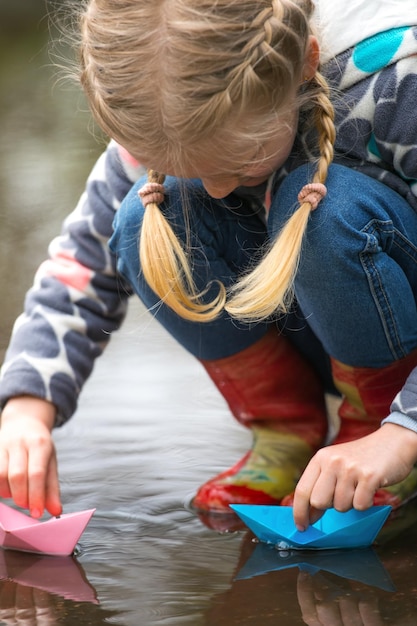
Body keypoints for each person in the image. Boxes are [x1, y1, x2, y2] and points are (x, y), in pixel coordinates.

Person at [1, 0, 417, 533]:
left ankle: (375, 429)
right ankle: (284, 431)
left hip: (399, 342)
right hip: (312, 331)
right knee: (143, 216)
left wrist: (402, 431)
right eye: (188, 168)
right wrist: (26, 409)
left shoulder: (397, 84)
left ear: (306, 63)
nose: (217, 188)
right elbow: (82, 264)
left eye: (240, 162)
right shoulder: (162, 108)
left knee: (321, 208)